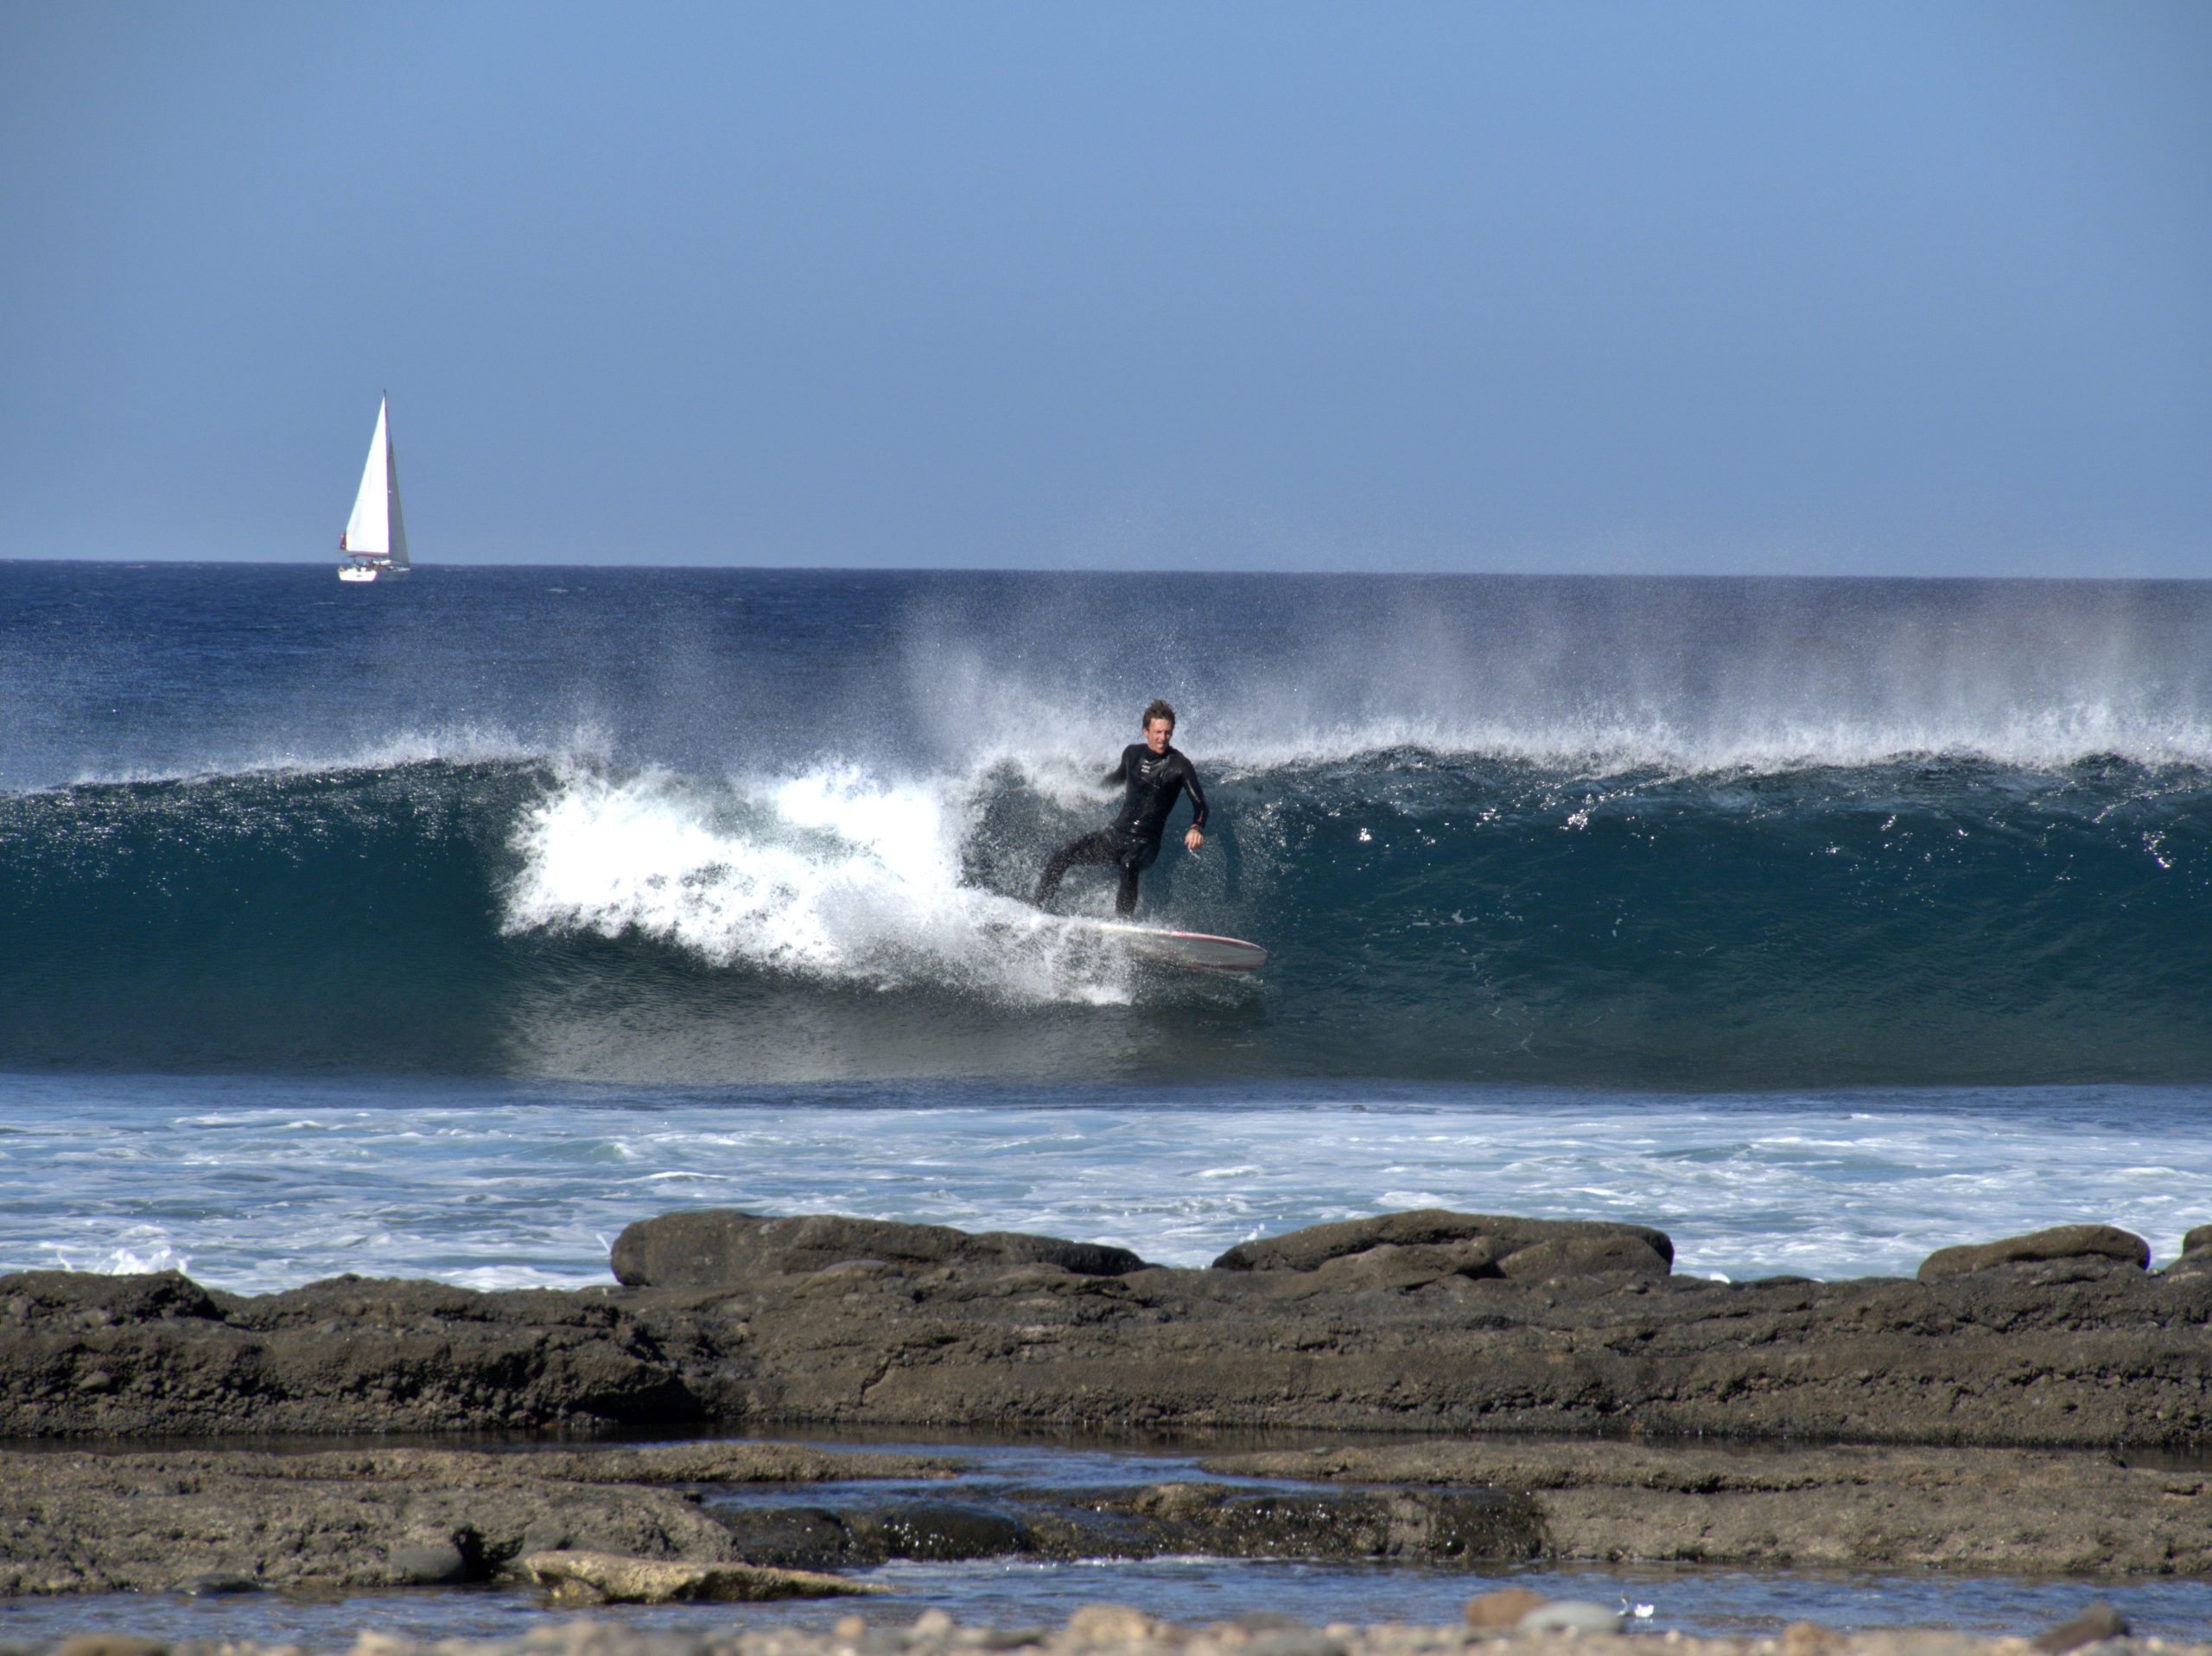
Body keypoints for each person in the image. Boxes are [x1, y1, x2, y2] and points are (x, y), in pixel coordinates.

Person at [1034, 698, 1207, 918]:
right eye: (1158, 732)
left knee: (1128, 864)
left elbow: (1200, 803)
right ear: (1146, 731)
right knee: (1062, 854)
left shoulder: (1180, 765)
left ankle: (1123, 923)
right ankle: (1037, 910)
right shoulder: (1132, 754)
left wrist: (1196, 827)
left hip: (1146, 843)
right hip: (1115, 835)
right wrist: (1085, 791)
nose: (1163, 738)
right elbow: (1114, 781)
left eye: (1168, 733)